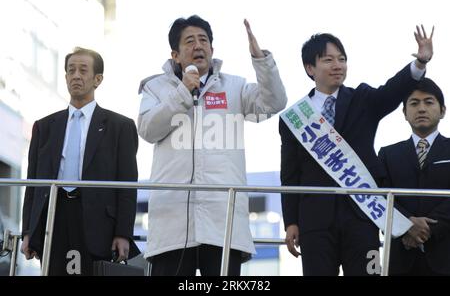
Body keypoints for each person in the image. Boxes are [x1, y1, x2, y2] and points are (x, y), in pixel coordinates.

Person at [137, 15, 287, 276]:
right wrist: (183, 93)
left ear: (212, 49)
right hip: (173, 223)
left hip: (222, 221)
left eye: (203, 40)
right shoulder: (156, 88)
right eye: (190, 41)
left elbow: (273, 103)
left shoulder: (235, 86)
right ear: (175, 54)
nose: (198, 46)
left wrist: (261, 61)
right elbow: (148, 130)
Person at [280, 25, 434, 275]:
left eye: (342, 59)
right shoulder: (295, 118)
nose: (337, 65)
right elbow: (290, 173)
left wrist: (419, 63)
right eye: (328, 60)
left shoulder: (362, 98)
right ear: (310, 68)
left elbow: (391, 92)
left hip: (362, 218)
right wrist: (292, 221)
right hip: (315, 221)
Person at [21, 47, 140, 275]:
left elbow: (127, 186)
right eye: (71, 70)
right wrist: (28, 230)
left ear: (98, 79)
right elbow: (33, 184)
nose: (76, 75)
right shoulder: (44, 127)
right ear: (65, 77)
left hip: (97, 222)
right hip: (54, 217)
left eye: (83, 70)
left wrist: (123, 233)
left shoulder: (120, 127)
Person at [378, 78, 450, 276]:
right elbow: (380, 198)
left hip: (445, 253)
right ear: (404, 113)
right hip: (401, 257)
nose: (421, 109)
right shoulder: (387, 154)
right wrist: (406, 225)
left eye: (429, 102)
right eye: (414, 103)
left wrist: (426, 229)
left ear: (442, 110)